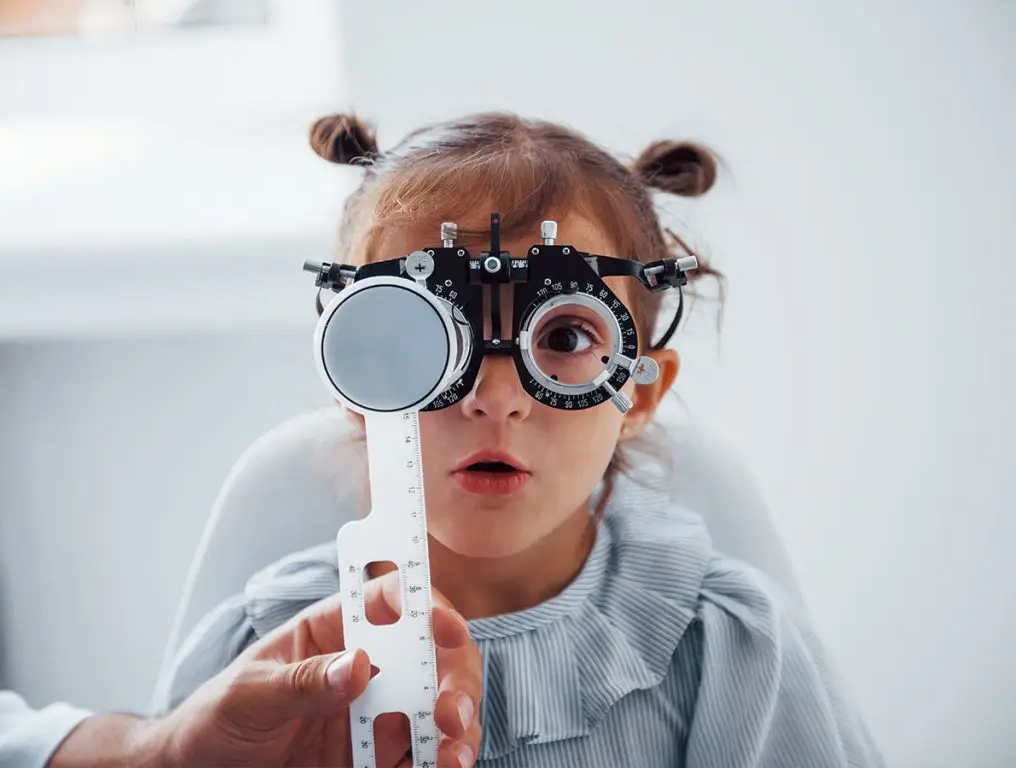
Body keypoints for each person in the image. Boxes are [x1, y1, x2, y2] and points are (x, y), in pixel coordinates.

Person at [155, 111, 886, 767]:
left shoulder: (728, 651)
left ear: (641, 392)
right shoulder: (267, 659)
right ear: (353, 382)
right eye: (425, 334)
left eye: (564, 334)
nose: (494, 397)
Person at [0, 571, 481, 767]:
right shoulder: (263, 626)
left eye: (561, 342)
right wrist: (162, 754)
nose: (497, 399)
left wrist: (160, 755)